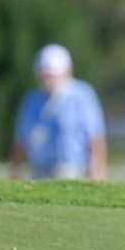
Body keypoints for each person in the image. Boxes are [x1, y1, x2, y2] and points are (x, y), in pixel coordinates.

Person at [11, 44, 107, 180]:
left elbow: (95, 138)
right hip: (39, 170)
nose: (47, 81)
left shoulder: (82, 96)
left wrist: (97, 173)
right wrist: (15, 173)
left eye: (51, 76)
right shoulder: (32, 101)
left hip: (73, 170)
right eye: (44, 76)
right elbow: (21, 140)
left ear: (66, 72)